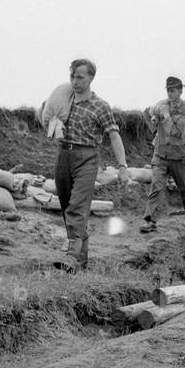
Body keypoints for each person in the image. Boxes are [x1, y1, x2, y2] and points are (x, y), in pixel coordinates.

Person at [41, 58, 130, 271]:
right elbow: (46, 116)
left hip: (87, 159)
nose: (74, 81)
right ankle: (81, 262)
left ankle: (71, 256)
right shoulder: (64, 100)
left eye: (80, 77)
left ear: (91, 78)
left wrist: (123, 166)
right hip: (63, 156)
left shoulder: (100, 106)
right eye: (72, 76)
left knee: (77, 206)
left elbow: (114, 136)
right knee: (66, 208)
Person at [140, 77, 185, 233]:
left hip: (179, 157)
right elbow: (147, 112)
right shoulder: (161, 104)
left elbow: (179, 133)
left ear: (180, 91)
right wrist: (154, 127)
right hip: (161, 156)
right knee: (156, 186)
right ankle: (149, 220)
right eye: (168, 90)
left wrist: (165, 118)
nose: (170, 93)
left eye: (173, 90)